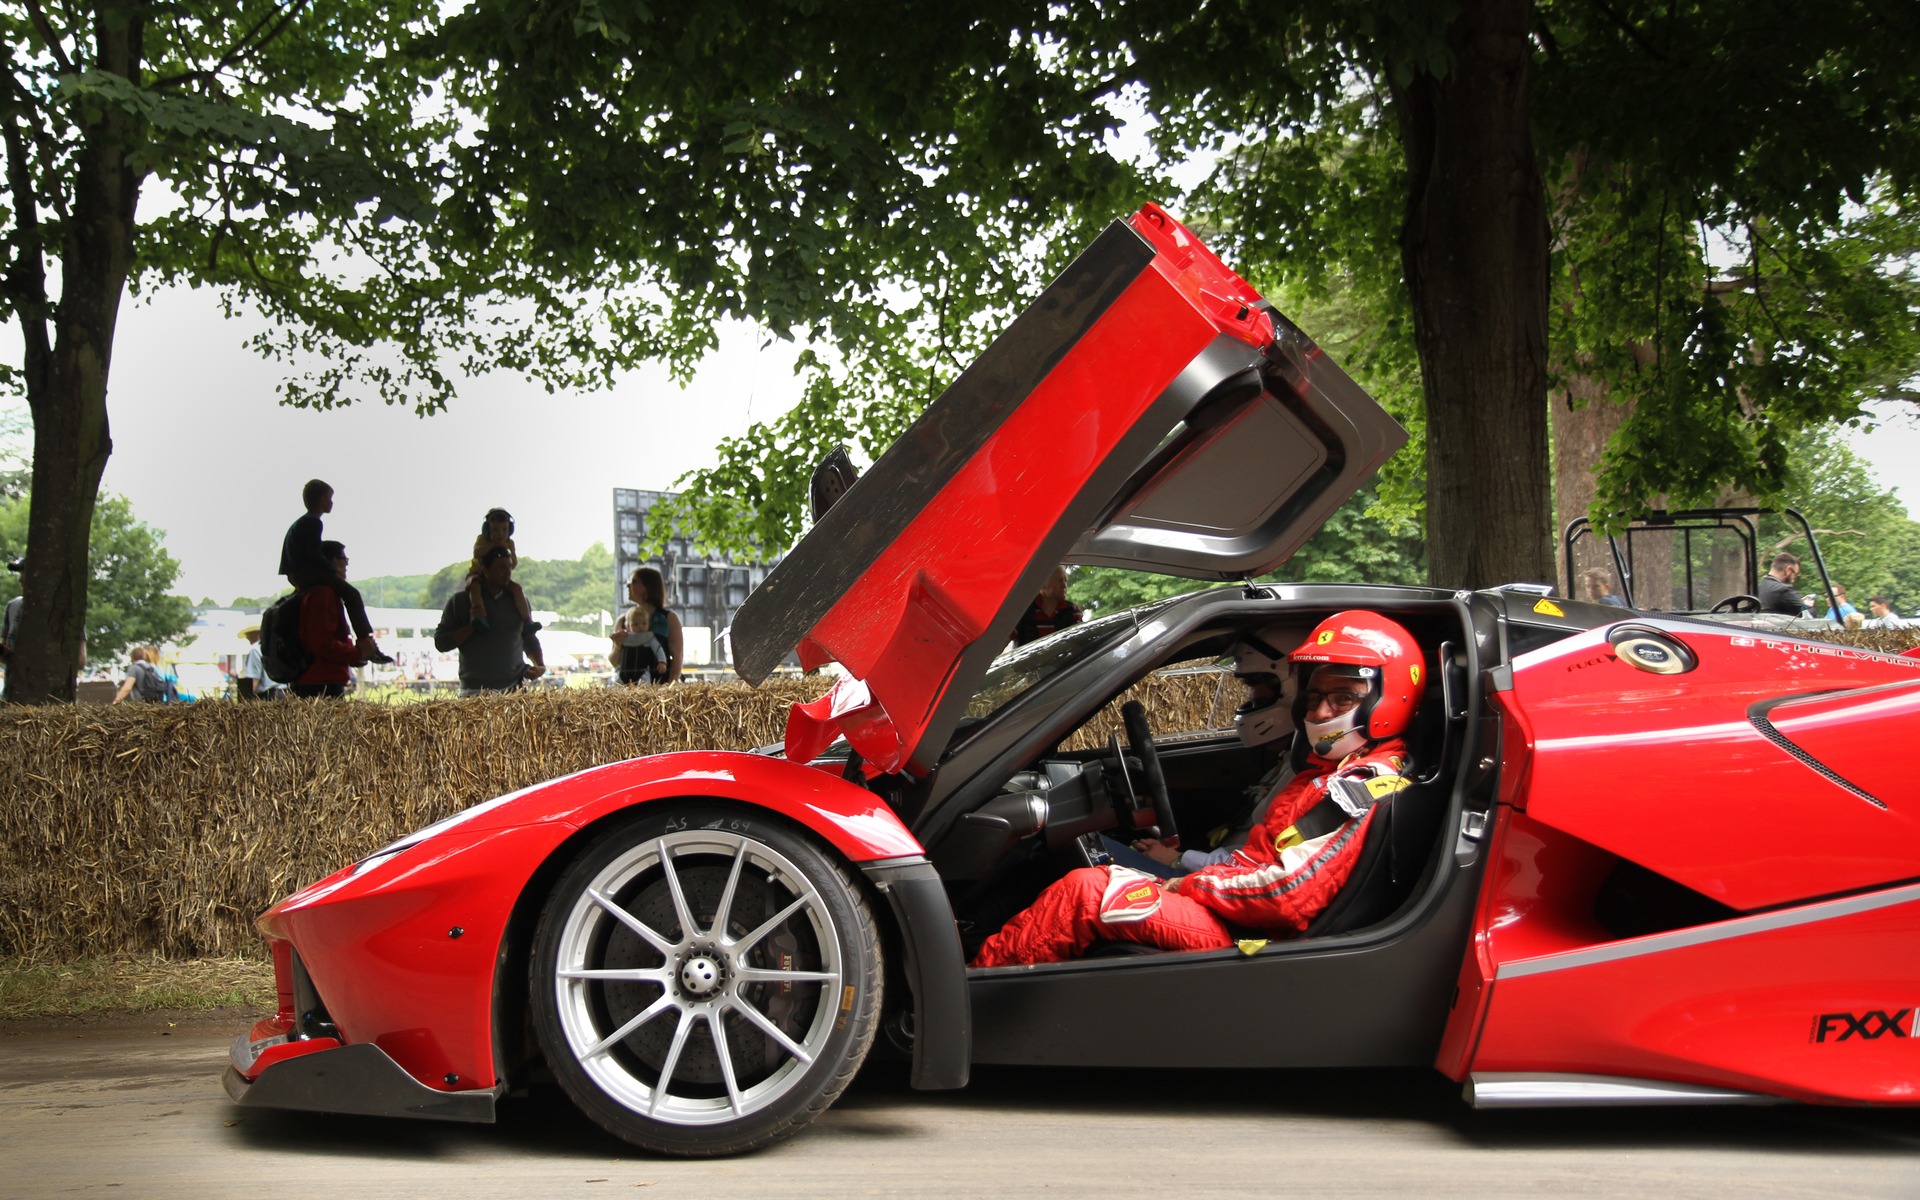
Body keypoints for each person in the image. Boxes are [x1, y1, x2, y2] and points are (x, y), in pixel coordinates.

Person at [972, 610, 1425, 967]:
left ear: (1387, 699)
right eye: (1315, 696)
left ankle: (971, 997)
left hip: (1255, 936)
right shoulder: (1329, 768)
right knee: (1087, 880)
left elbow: (1285, 895)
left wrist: (1189, 883)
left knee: (1087, 893)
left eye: (1343, 697)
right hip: (1236, 913)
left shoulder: (1360, 784)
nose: (1323, 711)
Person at [1111, 628, 1300, 878]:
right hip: (1214, 871)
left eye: (1259, 687)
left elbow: (1254, 869)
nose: (1251, 699)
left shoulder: (1303, 774)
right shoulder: (1291, 760)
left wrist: (1178, 860)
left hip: (1215, 881)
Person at [279, 479, 392, 664]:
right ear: (322, 499)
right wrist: (331, 569)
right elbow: (313, 554)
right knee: (352, 594)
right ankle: (366, 642)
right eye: (330, 498)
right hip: (305, 572)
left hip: (296, 573)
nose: (331, 502)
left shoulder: (301, 523)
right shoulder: (314, 523)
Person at [435, 544, 546, 694]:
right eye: (501, 567)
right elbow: (441, 642)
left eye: (509, 567)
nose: (507, 573)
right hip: (474, 692)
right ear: (485, 570)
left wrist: (539, 665)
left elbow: (528, 637)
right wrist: (473, 627)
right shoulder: (460, 602)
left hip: (514, 690)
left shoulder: (519, 601)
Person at [291, 541, 366, 698]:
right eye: (343, 559)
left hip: (313, 680)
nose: (346, 564)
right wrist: (357, 653)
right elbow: (322, 643)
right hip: (321, 682)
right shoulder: (323, 594)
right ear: (331, 561)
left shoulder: (308, 591)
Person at [610, 565, 682, 684]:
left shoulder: (668, 618)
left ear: (648, 586)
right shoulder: (622, 621)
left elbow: (677, 656)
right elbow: (614, 662)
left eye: (633, 582)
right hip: (627, 690)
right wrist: (617, 646)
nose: (628, 586)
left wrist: (670, 687)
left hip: (660, 689)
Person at [464, 508, 531, 633]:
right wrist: (492, 545)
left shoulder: (509, 543)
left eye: (504, 530)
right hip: (476, 574)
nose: (500, 534)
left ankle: (527, 620)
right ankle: (478, 613)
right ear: (487, 530)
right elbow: (477, 553)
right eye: (495, 530)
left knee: (517, 589)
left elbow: (514, 563)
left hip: (500, 578)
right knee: (474, 586)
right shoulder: (483, 540)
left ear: (509, 530)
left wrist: (505, 562)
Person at [1011, 566, 1083, 646]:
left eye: (1065, 581)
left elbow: (1081, 639)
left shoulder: (1072, 611)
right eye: (1059, 581)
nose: (1064, 585)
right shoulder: (1023, 610)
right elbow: (1003, 640)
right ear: (1042, 583)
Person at [235, 623, 286, 700]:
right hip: (284, 694)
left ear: (254, 634)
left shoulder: (255, 650)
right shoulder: (276, 647)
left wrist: (244, 700)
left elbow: (253, 681)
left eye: (248, 635)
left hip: (268, 697)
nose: (248, 639)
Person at [1757, 552, 1804, 616]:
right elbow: (1807, 615)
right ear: (1788, 570)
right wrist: (1807, 605)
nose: (1794, 579)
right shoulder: (1785, 590)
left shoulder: (1760, 586)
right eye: (1795, 574)